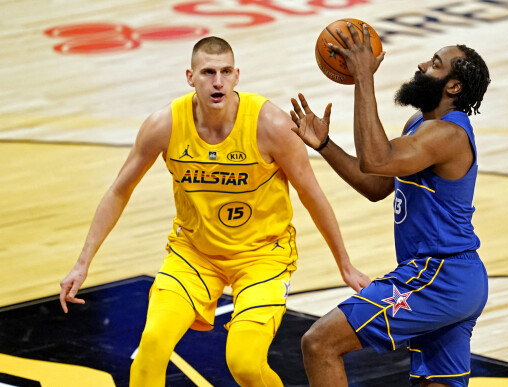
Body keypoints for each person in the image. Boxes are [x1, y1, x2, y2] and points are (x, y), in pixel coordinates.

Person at [59, 36, 370, 387]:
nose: (217, 81)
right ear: (190, 77)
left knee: (245, 363)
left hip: (262, 257)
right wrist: (82, 262)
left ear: (237, 76)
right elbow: (119, 190)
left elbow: (312, 194)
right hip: (193, 254)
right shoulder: (165, 124)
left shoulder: (270, 124)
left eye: (225, 72)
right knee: (150, 351)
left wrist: (344, 264)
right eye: (208, 72)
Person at [290, 23, 490, 387]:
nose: (421, 65)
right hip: (454, 279)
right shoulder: (420, 124)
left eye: (434, 64)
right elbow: (375, 184)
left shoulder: (449, 134)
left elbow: (376, 159)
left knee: (319, 343)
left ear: (453, 86)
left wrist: (363, 76)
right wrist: (325, 145)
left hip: (437, 274)